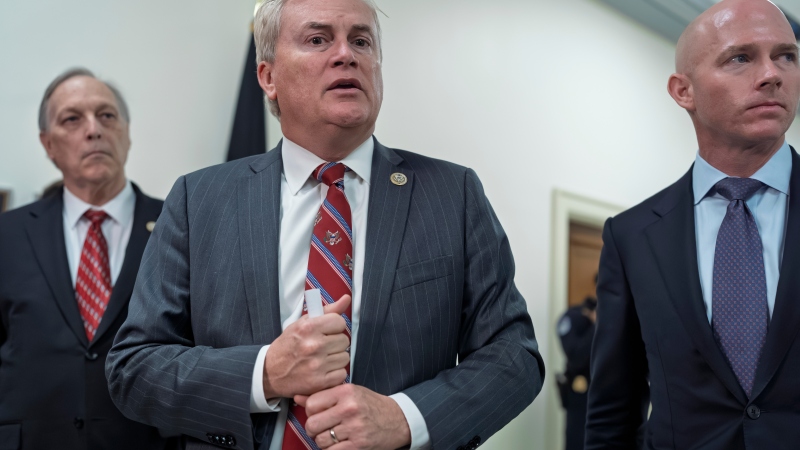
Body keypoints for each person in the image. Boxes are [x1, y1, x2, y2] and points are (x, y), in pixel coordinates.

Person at [106, 0, 544, 449]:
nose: (345, 55)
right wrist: (265, 373)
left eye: (360, 41)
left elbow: (515, 355)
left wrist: (405, 418)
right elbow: (134, 369)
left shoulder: (453, 195)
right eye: (318, 40)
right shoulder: (198, 201)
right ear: (268, 77)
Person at [585, 0, 800, 448]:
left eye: (786, 55)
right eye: (740, 58)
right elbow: (613, 409)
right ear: (684, 91)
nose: (771, 74)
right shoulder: (632, 237)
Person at [0, 68, 177, 449]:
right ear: (48, 144)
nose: (94, 130)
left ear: (127, 133)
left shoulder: (178, 226)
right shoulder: (7, 235)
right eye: (72, 119)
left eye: (107, 116)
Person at [556, 294, 596, 450]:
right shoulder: (573, 316)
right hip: (581, 394)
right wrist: (597, 324)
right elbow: (576, 358)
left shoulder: (620, 315)